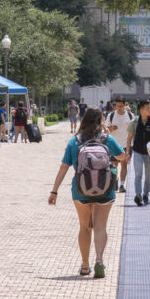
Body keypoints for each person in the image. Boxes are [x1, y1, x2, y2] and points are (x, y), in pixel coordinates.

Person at [48, 108, 127, 278]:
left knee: (85, 227)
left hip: (80, 190)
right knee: (100, 226)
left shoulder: (75, 141)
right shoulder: (107, 139)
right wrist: (107, 134)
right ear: (100, 121)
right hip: (105, 189)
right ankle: (99, 260)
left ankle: (85, 265)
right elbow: (122, 157)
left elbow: (64, 167)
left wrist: (54, 190)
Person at [128, 100, 150, 205]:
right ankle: (138, 195)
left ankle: (146, 194)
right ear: (141, 110)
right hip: (137, 152)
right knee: (138, 174)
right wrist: (128, 153)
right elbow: (129, 138)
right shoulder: (134, 122)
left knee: (149, 176)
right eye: (148, 108)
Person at [105, 98, 132, 193]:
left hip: (126, 144)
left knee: (124, 165)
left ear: (125, 105)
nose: (119, 108)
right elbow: (105, 130)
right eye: (117, 106)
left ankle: (122, 185)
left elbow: (133, 131)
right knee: (113, 165)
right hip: (113, 144)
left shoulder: (130, 116)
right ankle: (114, 182)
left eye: (121, 106)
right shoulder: (111, 115)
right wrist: (111, 128)